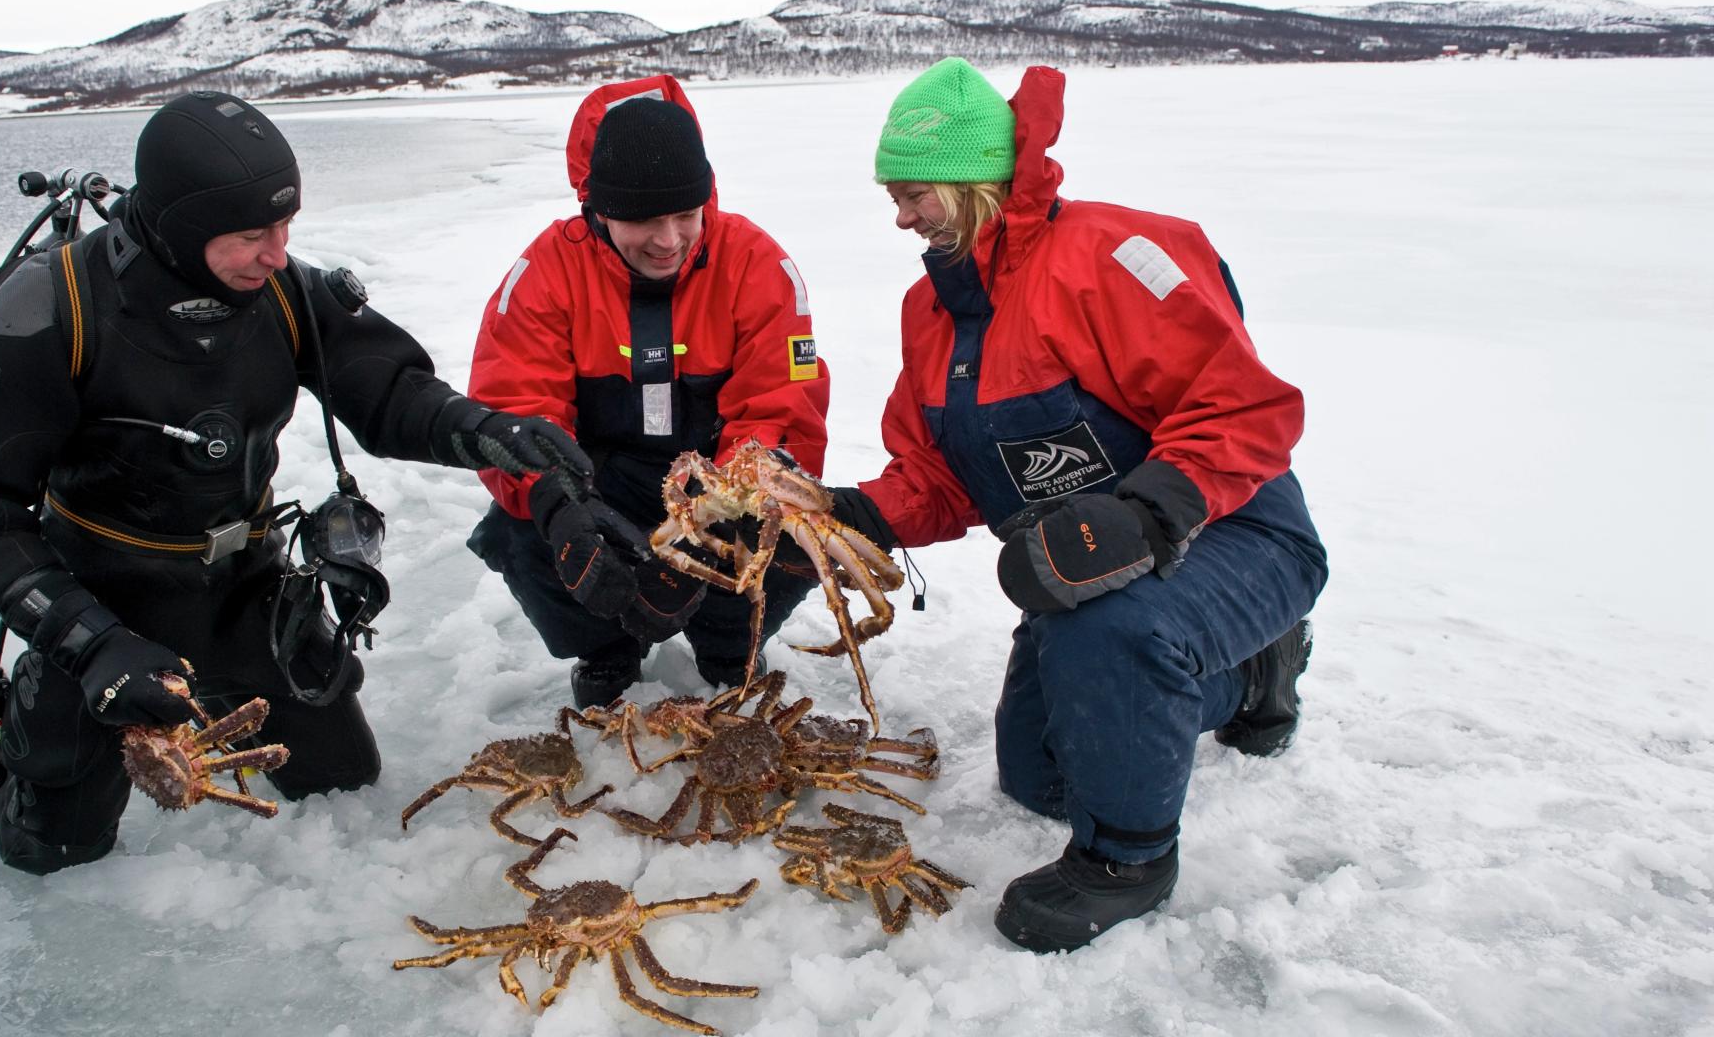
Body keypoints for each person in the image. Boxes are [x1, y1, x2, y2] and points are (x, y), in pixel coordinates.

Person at [0, 91, 606, 874]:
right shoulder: (47, 316)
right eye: (252, 235)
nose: (278, 254)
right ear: (180, 225)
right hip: (102, 595)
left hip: (241, 583)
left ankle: (208, 691)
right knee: (52, 852)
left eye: (285, 228)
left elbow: (383, 391)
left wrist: (485, 429)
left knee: (344, 781)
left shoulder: (282, 293)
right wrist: (91, 643)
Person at [825, 58, 1327, 952]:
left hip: (1231, 530)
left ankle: (1129, 861)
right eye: (893, 195)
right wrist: (843, 518)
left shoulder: (1111, 257)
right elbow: (942, 475)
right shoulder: (932, 311)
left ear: (973, 181)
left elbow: (1247, 407)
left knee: (1118, 637)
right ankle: (1244, 677)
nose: (900, 216)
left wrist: (1144, 514)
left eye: (914, 193)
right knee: (1041, 775)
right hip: (1079, 570)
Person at [464, 75, 831, 708]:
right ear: (600, 209)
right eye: (642, 220)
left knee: (796, 524)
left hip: (717, 482)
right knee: (518, 528)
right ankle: (606, 647)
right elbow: (514, 410)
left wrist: (733, 495)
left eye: (685, 215)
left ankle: (728, 643)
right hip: (604, 483)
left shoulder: (756, 265)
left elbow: (783, 405)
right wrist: (561, 504)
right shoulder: (546, 272)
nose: (668, 241)